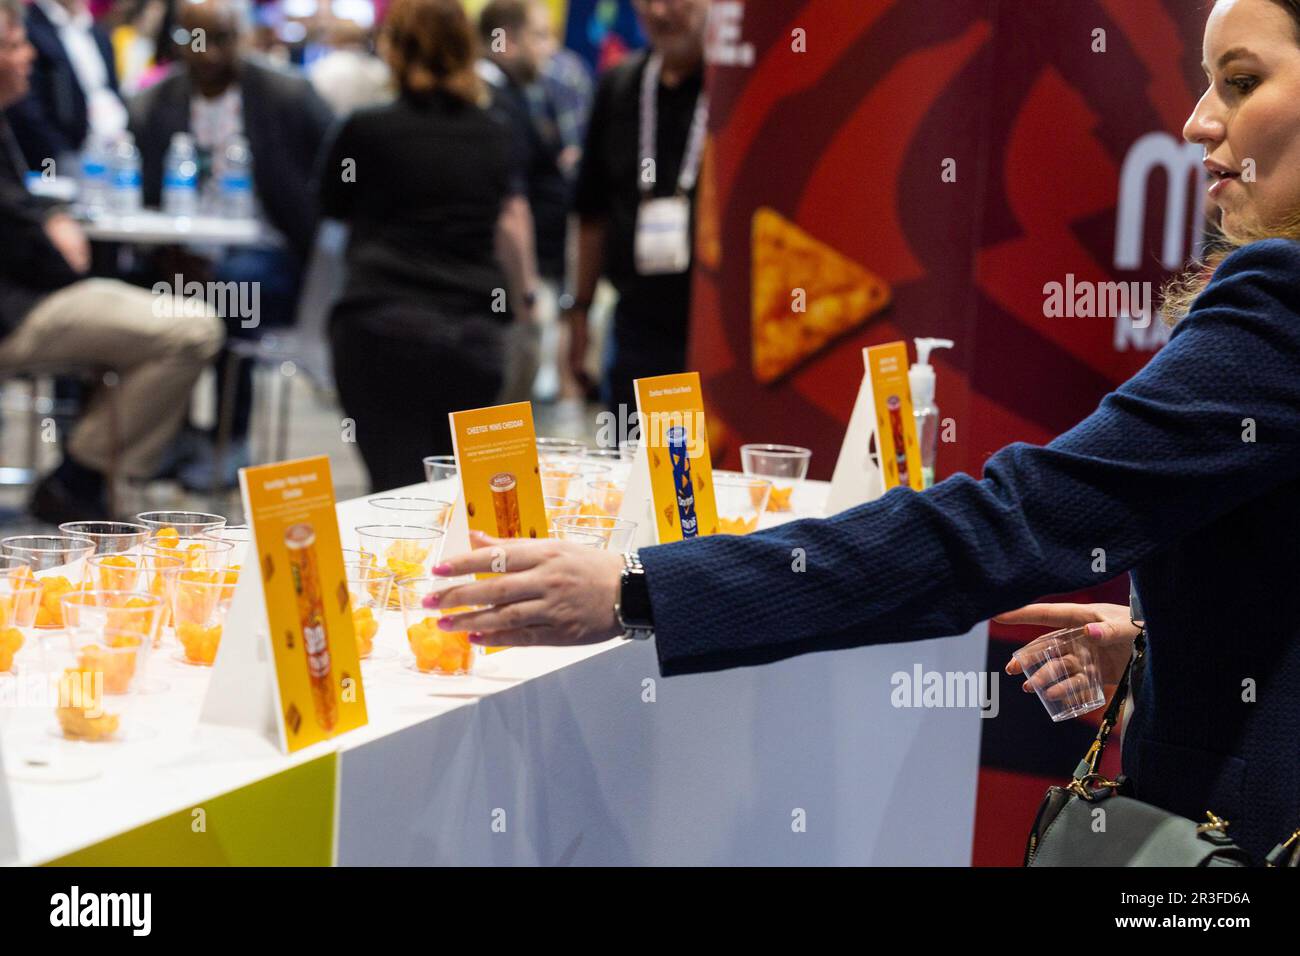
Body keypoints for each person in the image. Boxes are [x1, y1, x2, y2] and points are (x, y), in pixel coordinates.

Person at [425, 0, 1300, 864]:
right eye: (1204, 83)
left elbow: (1007, 521)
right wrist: (1169, 653)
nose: (1195, 123)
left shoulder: (1277, 303)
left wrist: (635, 590)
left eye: (1241, 81)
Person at [0, 0, 222, 523]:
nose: (28, 55)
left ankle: (85, 477)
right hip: (17, 310)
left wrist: (53, 216)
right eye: (12, 46)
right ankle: (80, 477)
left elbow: (22, 207)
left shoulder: (15, 112)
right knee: (191, 330)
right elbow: (27, 244)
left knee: (177, 309)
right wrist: (61, 244)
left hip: (34, 291)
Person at [319, 0, 536, 491]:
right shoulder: (496, 132)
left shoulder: (364, 128)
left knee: (394, 491)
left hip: (377, 327)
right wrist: (526, 304)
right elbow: (511, 221)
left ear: (394, 48)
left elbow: (331, 205)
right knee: (466, 496)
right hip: (471, 335)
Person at [129, 0, 333, 488]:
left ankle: (229, 435)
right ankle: (165, 432)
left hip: (270, 252)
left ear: (240, 37)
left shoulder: (286, 95)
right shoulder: (154, 104)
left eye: (222, 38)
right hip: (179, 249)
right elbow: (141, 194)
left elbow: (335, 175)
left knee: (231, 290)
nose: (212, 52)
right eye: (199, 39)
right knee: (133, 289)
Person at [565, 0, 708, 417]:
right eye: (646, 1)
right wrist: (579, 317)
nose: (660, 13)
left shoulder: (734, 89)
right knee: (631, 464)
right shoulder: (618, 87)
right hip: (635, 326)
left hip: (712, 331)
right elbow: (590, 213)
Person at [477, 0, 555, 403]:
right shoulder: (493, 102)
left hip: (503, 292)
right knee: (499, 430)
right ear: (505, 40)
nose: (548, 48)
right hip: (500, 297)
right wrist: (525, 293)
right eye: (539, 36)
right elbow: (510, 210)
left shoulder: (509, 96)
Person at [4, 0, 128, 170]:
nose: (28, 54)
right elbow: (27, 106)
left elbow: (112, 91)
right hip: (56, 157)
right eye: (16, 47)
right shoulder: (29, 25)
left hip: (111, 151)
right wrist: (61, 159)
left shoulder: (98, 32)